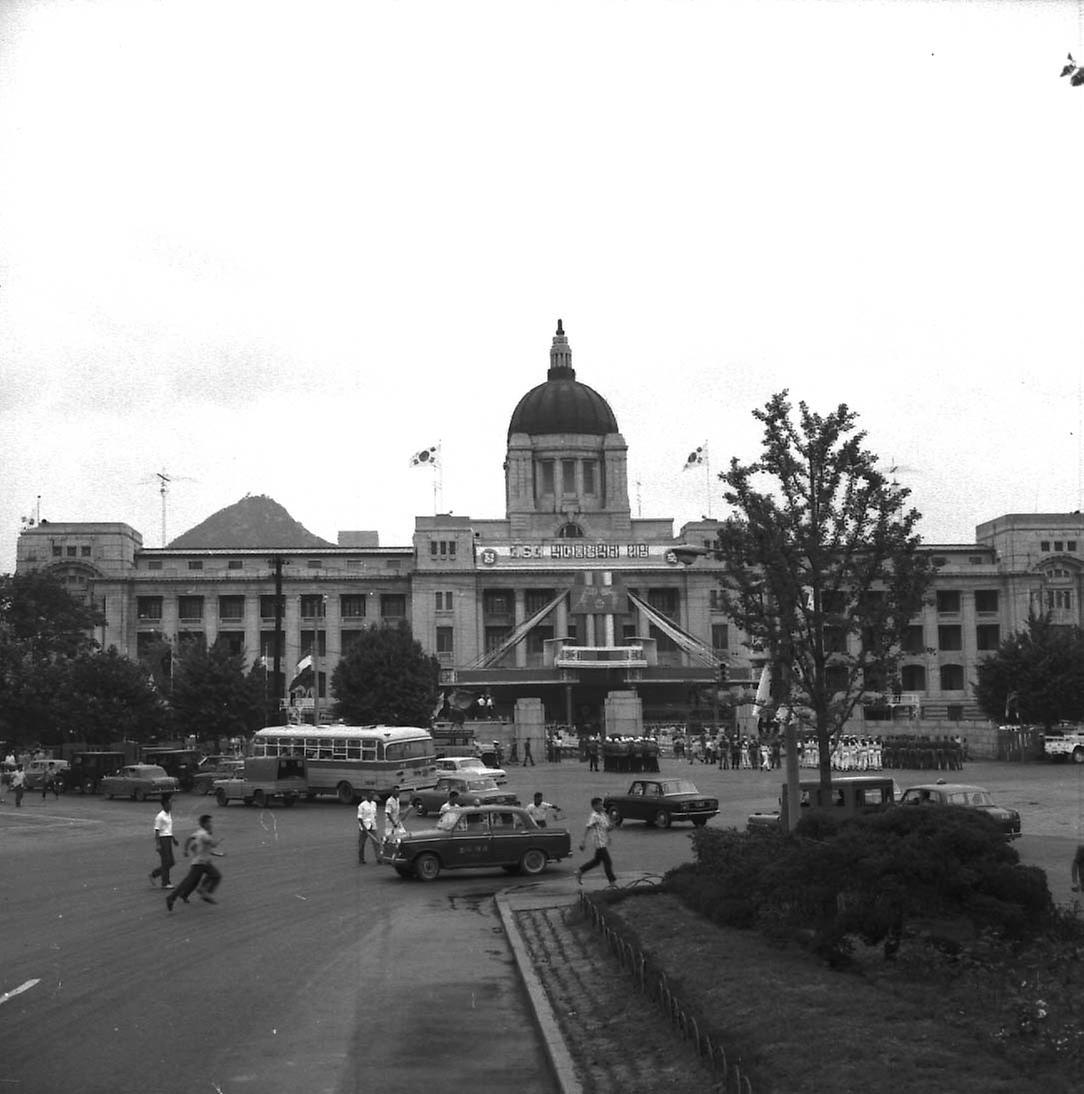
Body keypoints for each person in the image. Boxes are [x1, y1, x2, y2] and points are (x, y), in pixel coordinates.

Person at [167, 815, 224, 912]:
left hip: (203, 862)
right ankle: (172, 897)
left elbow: (190, 841)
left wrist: (187, 850)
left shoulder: (199, 833)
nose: (211, 824)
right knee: (190, 881)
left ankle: (192, 893)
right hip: (200, 864)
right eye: (209, 822)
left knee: (205, 878)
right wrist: (219, 840)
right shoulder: (204, 835)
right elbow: (213, 844)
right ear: (204, 824)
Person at [575, 796, 616, 888]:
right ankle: (612, 882)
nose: (602, 806)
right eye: (600, 804)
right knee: (608, 862)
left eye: (601, 804)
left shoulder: (603, 815)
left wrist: (613, 823)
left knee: (596, 861)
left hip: (603, 840)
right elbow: (588, 828)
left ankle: (580, 871)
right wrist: (583, 841)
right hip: (598, 842)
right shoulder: (594, 816)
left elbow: (607, 828)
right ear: (594, 806)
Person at [149, 795, 179, 889]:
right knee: (166, 862)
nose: (171, 805)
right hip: (162, 840)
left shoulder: (168, 814)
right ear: (165, 804)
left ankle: (154, 874)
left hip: (168, 838)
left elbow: (167, 828)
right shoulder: (160, 817)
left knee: (171, 862)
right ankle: (165, 883)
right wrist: (158, 844)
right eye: (170, 803)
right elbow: (157, 831)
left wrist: (173, 839)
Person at [357, 791, 378, 863]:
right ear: (367, 796)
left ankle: (379, 858)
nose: (372, 797)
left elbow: (375, 815)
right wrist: (364, 828)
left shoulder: (374, 804)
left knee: (376, 842)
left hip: (372, 826)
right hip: (364, 828)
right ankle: (361, 859)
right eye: (370, 795)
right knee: (361, 844)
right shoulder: (362, 805)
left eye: (373, 795)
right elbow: (359, 818)